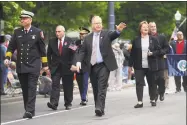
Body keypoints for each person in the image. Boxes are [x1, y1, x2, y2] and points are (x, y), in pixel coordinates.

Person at [76, 16, 126, 116]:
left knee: (101, 86)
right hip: (92, 66)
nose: (98, 25)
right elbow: (82, 51)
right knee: (95, 88)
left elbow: (114, 35)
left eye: (100, 23)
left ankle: (99, 107)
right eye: (96, 23)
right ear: (92, 25)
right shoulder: (87, 38)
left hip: (104, 65)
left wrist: (118, 31)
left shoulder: (106, 34)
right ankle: (99, 108)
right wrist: (78, 62)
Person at [4, 10, 48, 119]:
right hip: (21, 65)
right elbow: (11, 47)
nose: (22, 20)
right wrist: (7, 57)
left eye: (24, 18)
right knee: (25, 89)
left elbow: (43, 50)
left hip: (34, 65)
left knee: (32, 87)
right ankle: (28, 109)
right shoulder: (17, 32)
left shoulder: (38, 32)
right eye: (21, 19)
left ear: (30, 20)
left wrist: (45, 65)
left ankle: (29, 110)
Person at [129, 21, 161, 108]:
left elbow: (159, 51)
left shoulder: (153, 39)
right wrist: (130, 65)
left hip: (151, 65)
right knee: (139, 83)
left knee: (152, 83)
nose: (146, 28)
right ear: (140, 29)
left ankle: (153, 99)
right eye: (143, 27)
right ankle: (140, 101)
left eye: (147, 27)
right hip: (139, 65)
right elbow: (132, 54)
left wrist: (152, 53)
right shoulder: (136, 40)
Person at [47, 25, 75, 110]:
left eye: (59, 32)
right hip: (56, 68)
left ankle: (68, 103)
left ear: (63, 32)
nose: (57, 33)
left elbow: (75, 54)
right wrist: (49, 66)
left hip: (67, 67)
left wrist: (73, 64)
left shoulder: (70, 41)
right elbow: (48, 55)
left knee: (68, 86)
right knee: (55, 85)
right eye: (56, 32)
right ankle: (54, 103)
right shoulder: (52, 41)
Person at [148, 22, 169, 101]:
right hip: (150, 62)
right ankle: (154, 95)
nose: (153, 28)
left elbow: (167, 48)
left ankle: (161, 92)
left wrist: (161, 52)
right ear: (148, 28)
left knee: (161, 78)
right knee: (152, 80)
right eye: (151, 26)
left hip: (160, 60)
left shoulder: (162, 37)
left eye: (154, 26)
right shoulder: (146, 38)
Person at [71, 26, 90, 106]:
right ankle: (83, 95)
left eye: (83, 34)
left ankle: (83, 99)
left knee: (85, 82)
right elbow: (71, 53)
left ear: (87, 34)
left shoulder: (90, 42)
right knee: (80, 83)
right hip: (77, 67)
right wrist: (73, 64)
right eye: (80, 34)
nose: (81, 35)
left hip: (86, 66)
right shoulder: (76, 42)